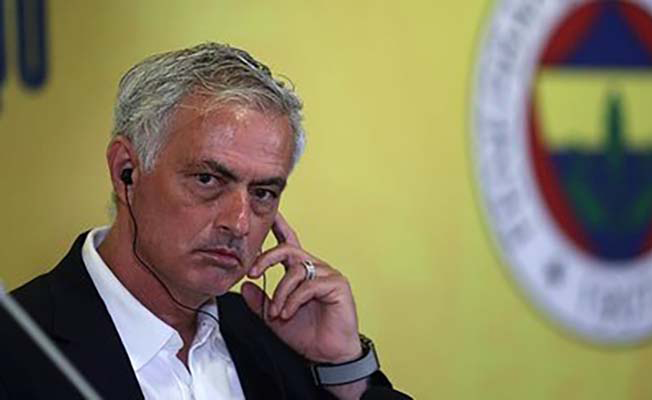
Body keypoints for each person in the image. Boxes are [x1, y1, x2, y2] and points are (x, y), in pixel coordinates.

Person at [0, 43, 411, 399]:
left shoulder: (280, 341)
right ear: (127, 171)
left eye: (263, 193)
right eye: (208, 180)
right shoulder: (16, 346)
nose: (239, 223)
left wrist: (343, 368)